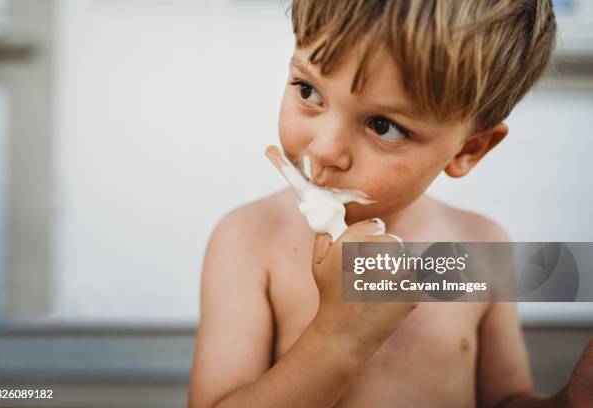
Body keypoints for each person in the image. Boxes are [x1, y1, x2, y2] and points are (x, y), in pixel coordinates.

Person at [189, 1, 592, 406]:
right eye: (308, 91)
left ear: (468, 149)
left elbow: (505, 399)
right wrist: (338, 338)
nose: (324, 148)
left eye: (383, 125)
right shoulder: (249, 241)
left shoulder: (476, 247)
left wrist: (569, 402)